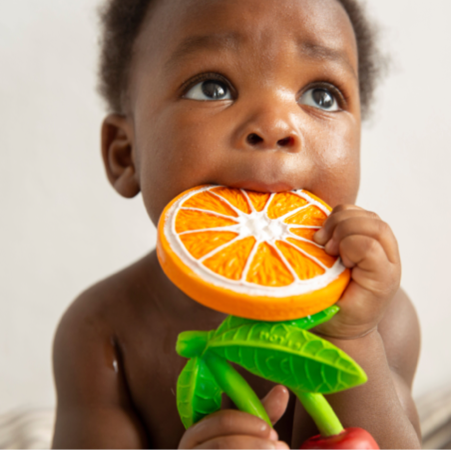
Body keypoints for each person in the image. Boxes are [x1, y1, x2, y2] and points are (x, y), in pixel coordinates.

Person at [51, 0, 421, 448]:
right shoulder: (101, 331)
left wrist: (353, 340)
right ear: (125, 155)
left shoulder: (383, 317)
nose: (275, 124)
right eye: (212, 87)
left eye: (321, 95)